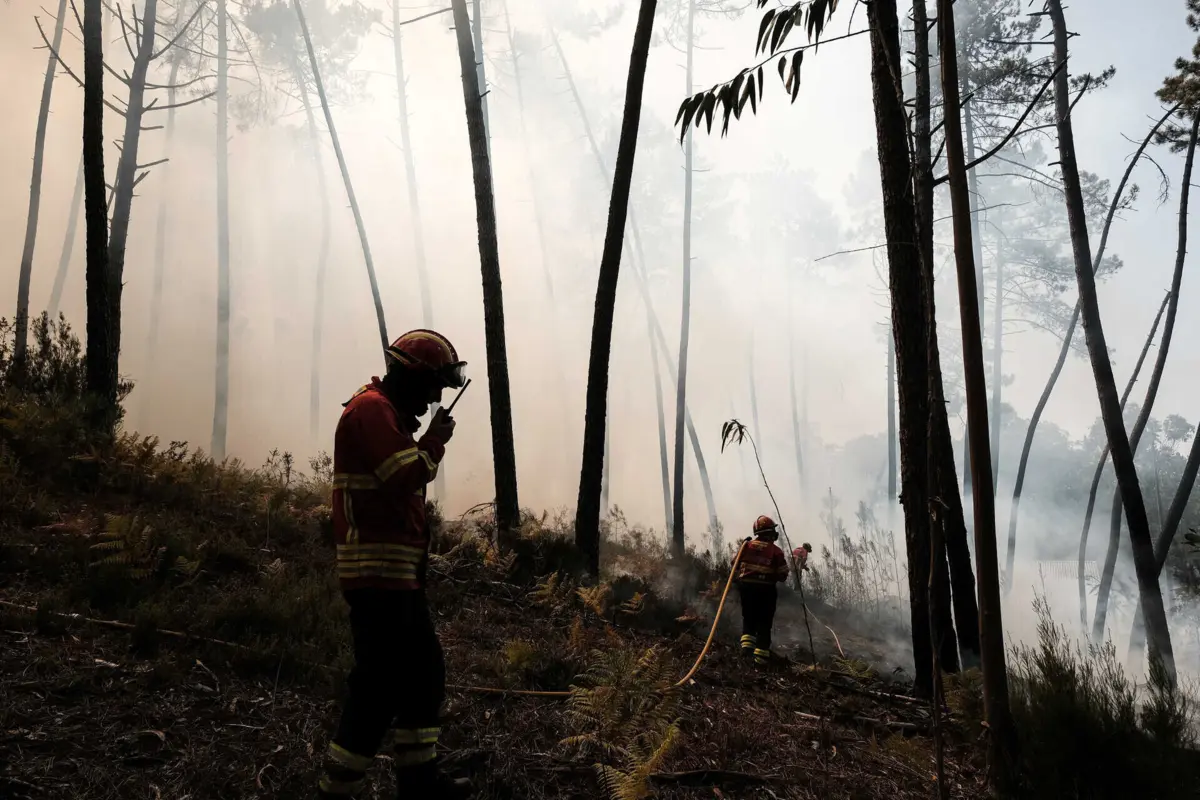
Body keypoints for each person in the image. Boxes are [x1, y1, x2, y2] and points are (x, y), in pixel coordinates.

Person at [317, 329, 472, 800]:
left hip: (397, 578)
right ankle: (337, 789)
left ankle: (419, 780)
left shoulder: (388, 413)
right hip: (376, 579)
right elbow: (402, 474)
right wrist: (434, 442)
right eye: (433, 386)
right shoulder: (371, 412)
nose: (435, 397)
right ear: (411, 377)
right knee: (378, 687)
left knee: (424, 674)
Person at [735, 515, 790, 666]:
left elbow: (735, 564)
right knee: (765, 622)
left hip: (746, 588)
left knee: (749, 618)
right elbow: (783, 575)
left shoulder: (746, 546)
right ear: (770, 533)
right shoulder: (776, 551)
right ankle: (760, 658)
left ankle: (746, 652)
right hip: (766, 590)